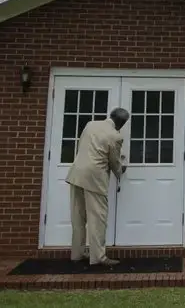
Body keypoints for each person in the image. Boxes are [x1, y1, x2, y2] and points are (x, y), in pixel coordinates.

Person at [66, 107, 129, 266]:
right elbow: (114, 161)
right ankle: (98, 257)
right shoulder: (115, 136)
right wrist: (121, 170)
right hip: (94, 178)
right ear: (122, 123)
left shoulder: (90, 124)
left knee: (78, 217)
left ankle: (77, 254)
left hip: (76, 173)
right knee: (97, 219)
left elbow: (83, 146)